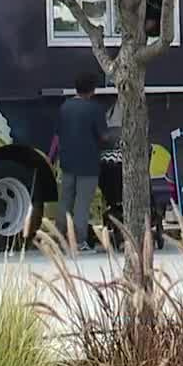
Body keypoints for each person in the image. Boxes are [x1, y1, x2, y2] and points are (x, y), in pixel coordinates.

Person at [57, 72, 109, 252]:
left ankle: (59, 236)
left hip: (67, 161)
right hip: (88, 162)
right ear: (93, 90)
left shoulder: (65, 107)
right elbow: (103, 136)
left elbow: (59, 133)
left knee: (65, 200)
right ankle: (79, 241)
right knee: (82, 202)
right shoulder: (94, 109)